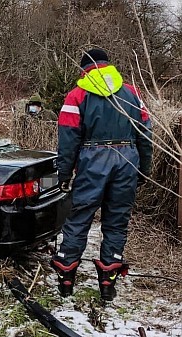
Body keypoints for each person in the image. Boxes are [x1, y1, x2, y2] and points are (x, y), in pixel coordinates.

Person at [51, 48, 152, 301]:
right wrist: (144, 169)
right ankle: (108, 283)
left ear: (85, 69)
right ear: (108, 65)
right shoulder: (131, 93)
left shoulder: (77, 95)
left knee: (79, 218)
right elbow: (145, 133)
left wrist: (63, 174)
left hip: (92, 160)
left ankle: (66, 279)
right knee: (117, 221)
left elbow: (67, 139)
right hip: (127, 159)